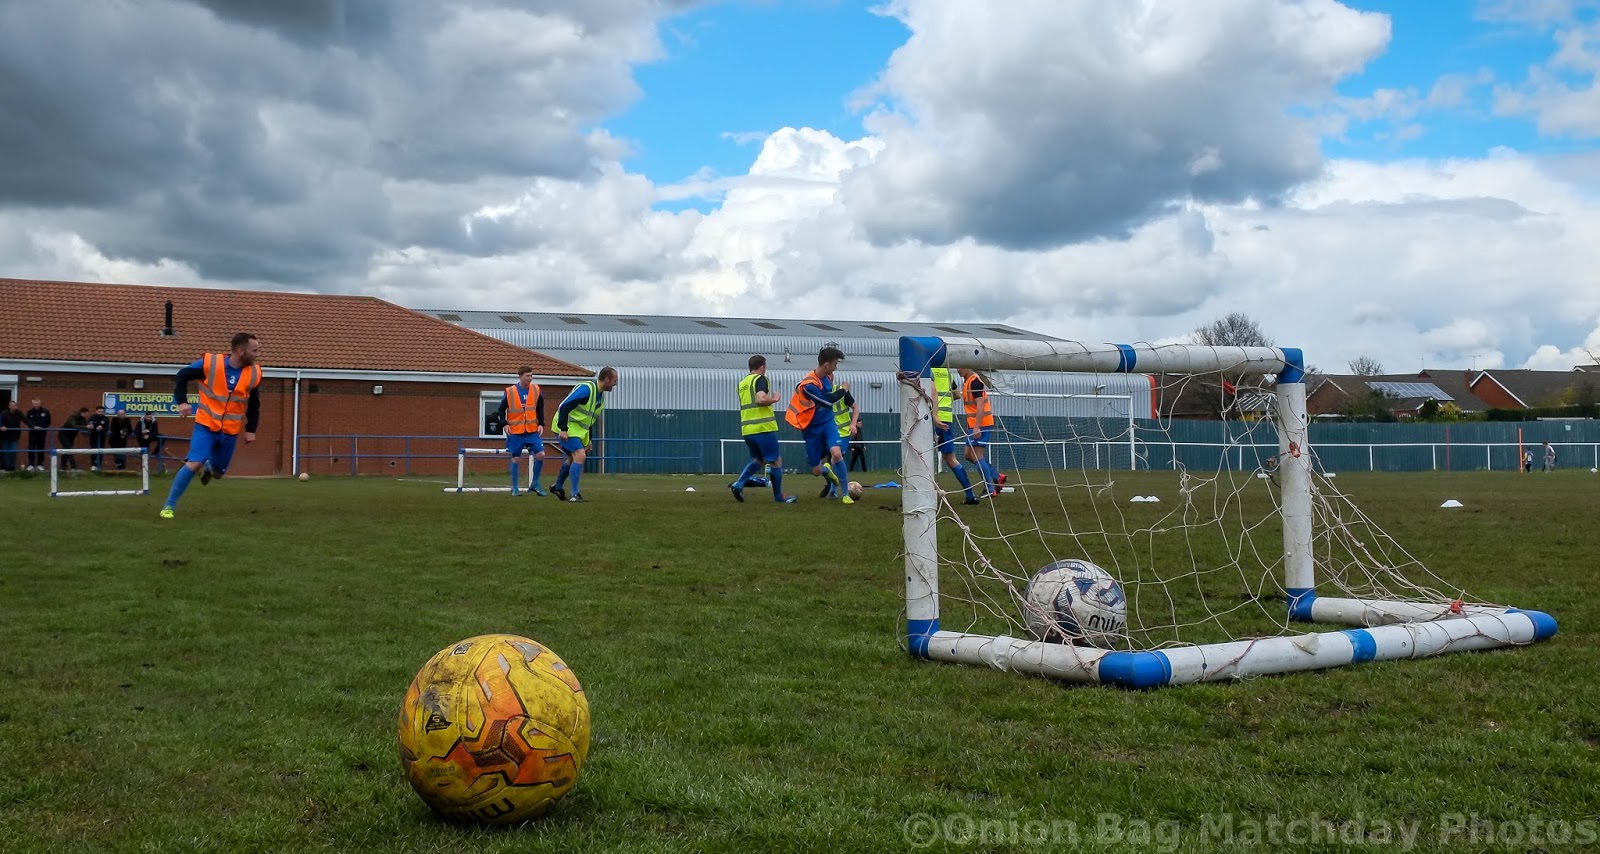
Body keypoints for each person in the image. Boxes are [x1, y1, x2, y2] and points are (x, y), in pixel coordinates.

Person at [159, 333, 263, 519]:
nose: (257, 354)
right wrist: (181, 402)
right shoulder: (211, 364)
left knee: (218, 473)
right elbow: (182, 375)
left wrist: (251, 430)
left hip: (230, 431)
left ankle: (209, 468)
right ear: (241, 351)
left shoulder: (254, 373)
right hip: (206, 425)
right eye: (254, 350)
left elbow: (254, 404)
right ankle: (169, 506)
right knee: (194, 462)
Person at [784, 346, 852, 504]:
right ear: (826, 365)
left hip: (827, 422)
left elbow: (827, 397)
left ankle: (846, 494)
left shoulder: (828, 377)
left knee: (836, 453)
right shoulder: (809, 386)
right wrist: (844, 390)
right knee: (816, 470)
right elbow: (827, 400)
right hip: (811, 428)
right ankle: (827, 471)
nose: (836, 367)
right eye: (835, 364)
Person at [729, 355, 796, 504]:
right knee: (776, 461)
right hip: (762, 428)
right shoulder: (760, 379)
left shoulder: (742, 383)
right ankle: (779, 497)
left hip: (747, 430)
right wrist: (774, 399)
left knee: (759, 460)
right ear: (762, 367)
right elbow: (761, 399)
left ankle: (738, 484)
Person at [550, 367, 618, 503]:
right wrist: (563, 429)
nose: (615, 384)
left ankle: (557, 487)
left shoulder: (600, 396)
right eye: (614, 381)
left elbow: (589, 420)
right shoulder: (586, 389)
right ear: (606, 379)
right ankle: (575, 495)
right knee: (580, 456)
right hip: (567, 427)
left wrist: (589, 439)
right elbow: (564, 406)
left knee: (572, 458)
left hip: (578, 431)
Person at [496, 366, 548, 497]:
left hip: (532, 430)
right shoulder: (510, 391)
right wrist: (504, 424)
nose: (530, 378)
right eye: (527, 376)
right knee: (516, 459)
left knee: (541, 454)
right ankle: (515, 488)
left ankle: (535, 483)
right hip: (516, 431)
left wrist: (541, 423)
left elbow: (540, 408)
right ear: (520, 376)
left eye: (531, 376)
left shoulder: (536, 390)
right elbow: (501, 410)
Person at [932, 367, 980, 505]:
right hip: (947, 419)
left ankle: (922, 494)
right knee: (951, 459)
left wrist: (934, 413)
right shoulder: (947, 373)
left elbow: (933, 390)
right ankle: (970, 494)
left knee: (923, 456)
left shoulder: (929, 370)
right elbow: (957, 394)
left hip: (933, 419)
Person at [958, 368, 1002, 497]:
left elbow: (980, 405)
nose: (958, 370)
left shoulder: (975, 382)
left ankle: (989, 489)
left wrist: (976, 427)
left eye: (960, 367)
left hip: (982, 424)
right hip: (974, 424)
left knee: (977, 456)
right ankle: (997, 476)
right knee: (968, 455)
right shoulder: (967, 381)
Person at [822, 375, 860, 498]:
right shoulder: (819, 392)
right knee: (827, 461)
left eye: (828, 377)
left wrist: (853, 424)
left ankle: (836, 491)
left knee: (835, 457)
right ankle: (832, 487)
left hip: (843, 432)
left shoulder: (841, 391)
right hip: (828, 431)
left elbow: (855, 407)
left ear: (832, 378)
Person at [57, 407, 89, 471]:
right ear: (82, 413)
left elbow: (85, 427)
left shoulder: (83, 419)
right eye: (86, 414)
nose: (86, 415)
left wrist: (88, 428)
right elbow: (73, 425)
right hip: (63, 435)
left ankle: (63, 466)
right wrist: (85, 427)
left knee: (66, 449)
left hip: (71, 436)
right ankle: (73, 466)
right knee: (69, 449)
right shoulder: (72, 417)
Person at [25, 398, 50, 471]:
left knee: (41, 448)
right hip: (32, 433)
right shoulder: (29, 412)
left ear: (40, 403)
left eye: (37, 403)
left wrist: (42, 427)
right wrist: (33, 427)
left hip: (42, 433)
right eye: (35, 404)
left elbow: (48, 422)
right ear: (32, 404)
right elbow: (27, 421)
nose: (36, 405)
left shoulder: (45, 412)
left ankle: (40, 464)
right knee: (31, 448)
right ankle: (31, 464)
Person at [108, 407, 134, 471]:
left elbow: (130, 429)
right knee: (116, 454)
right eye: (120, 414)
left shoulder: (127, 420)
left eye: (123, 414)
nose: (121, 415)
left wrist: (125, 431)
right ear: (118, 414)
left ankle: (122, 466)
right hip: (114, 440)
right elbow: (112, 429)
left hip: (122, 440)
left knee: (122, 454)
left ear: (125, 414)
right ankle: (118, 465)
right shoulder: (114, 420)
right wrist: (119, 432)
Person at [0, 399, 21, 472]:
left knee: (13, 451)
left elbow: (25, 419)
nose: (14, 407)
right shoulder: (3, 413)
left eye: (15, 405)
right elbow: (1, 421)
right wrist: (1, 426)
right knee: (5, 452)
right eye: (12, 405)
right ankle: (6, 466)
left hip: (14, 436)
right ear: (9, 406)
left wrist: (33, 426)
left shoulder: (18, 413)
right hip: (5, 436)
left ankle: (12, 466)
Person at [86, 405, 109, 471]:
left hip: (102, 437)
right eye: (99, 411)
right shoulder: (92, 418)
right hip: (93, 437)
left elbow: (107, 428)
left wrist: (102, 428)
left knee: (101, 451)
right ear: (96, 411)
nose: (100, 413)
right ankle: (93, 465)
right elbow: (89, 426)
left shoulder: (105, 419)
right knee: (93, 450)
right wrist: (92, 428)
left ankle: (99, 465)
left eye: (102, 411)